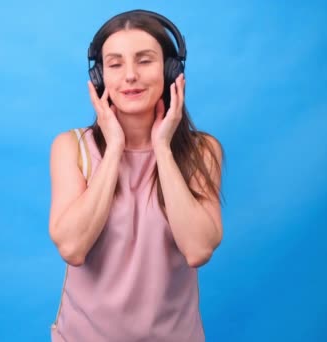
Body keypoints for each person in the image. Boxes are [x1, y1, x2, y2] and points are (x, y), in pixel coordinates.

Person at [48, 9, 224, 342]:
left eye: (144, 61)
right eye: (115, 64)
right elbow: (72, 248)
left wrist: (162, 149)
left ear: (172, 71)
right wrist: (114, 147)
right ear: (100, 76)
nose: (130, 76)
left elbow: (198, 249)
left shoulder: (202, 151)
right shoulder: (71, 147)